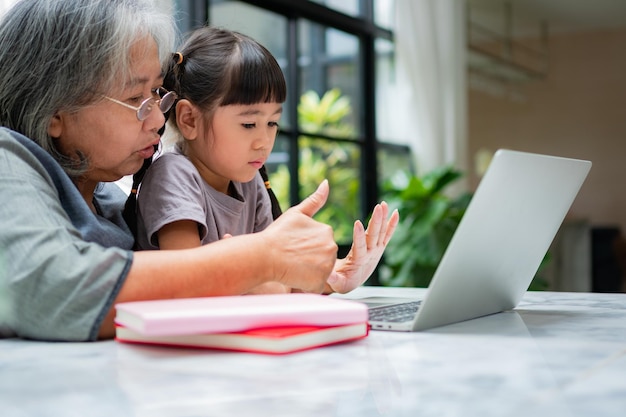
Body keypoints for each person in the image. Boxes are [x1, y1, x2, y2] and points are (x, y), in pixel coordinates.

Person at [0, 0, 397, 342]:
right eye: (136, 98)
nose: (158, 119)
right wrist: (260, 258)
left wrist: (316, 275)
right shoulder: (7, 159)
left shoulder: (105, 198)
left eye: (157, 93)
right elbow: (53, 290)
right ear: (56, 110)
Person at [133, 26, 399, 294]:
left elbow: (282, 277)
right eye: (249, 124)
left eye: (272, 122)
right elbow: (190, 287)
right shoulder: (173, 175)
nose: (264, 141)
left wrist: (337, 275)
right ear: (190, 119)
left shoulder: (247, 180)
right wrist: (266, 281)